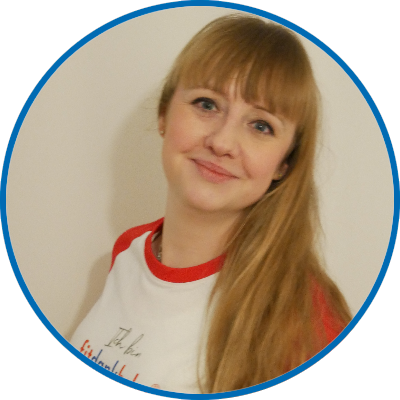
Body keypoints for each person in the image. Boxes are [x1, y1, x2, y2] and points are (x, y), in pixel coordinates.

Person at [70, 14, 352, 393]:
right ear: (164, 115)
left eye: (261, 125)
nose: (221, 143)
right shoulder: (128, 250)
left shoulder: (305, 315)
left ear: (284, 163)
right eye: (207, 104)